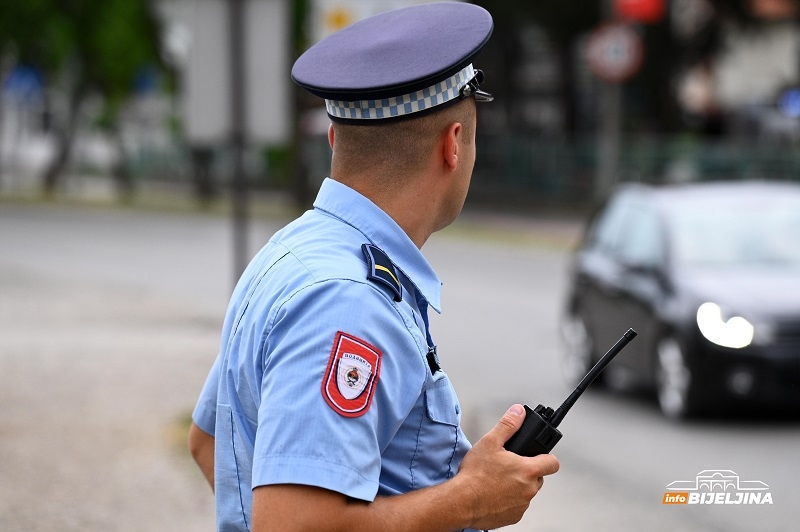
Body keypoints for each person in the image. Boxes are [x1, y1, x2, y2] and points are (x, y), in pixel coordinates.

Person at [188, 3, 559, 531]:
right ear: (453, 145)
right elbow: (292, 525)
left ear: (336, 139)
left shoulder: (292, 253)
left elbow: (210, 441)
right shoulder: (346, 301)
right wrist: (468, 501)